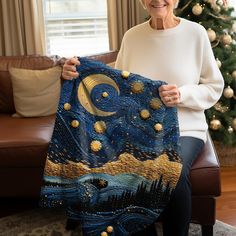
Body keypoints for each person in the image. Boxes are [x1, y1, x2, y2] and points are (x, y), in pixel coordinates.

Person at [62, 0, 224, 235]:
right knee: (130, 173)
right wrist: (76, 71)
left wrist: (182, 94)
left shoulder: (195, 33)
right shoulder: (132, 36)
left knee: (172, 175)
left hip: (186, 127)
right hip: (140, 127)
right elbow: (118, 83)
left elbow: (214, 86)